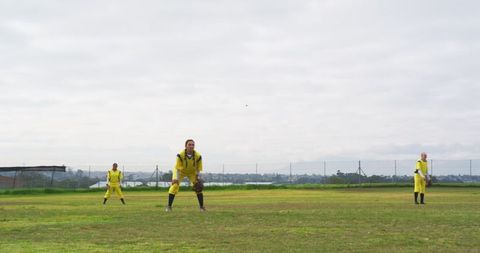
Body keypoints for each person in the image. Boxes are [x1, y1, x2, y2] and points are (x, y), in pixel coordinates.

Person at [166, 139, 205, 212]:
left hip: (192, 172)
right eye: (189, 144)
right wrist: (176, 179)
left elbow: (198, 168)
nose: (191, 146)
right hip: (180, 171)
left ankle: (202, 207)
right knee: (174, 186)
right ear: (185, 146)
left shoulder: (198, 156)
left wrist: (197, 177)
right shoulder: (180, 155)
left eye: (193, 145)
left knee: (198, 187)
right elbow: (177, 168)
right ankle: (169, 207)